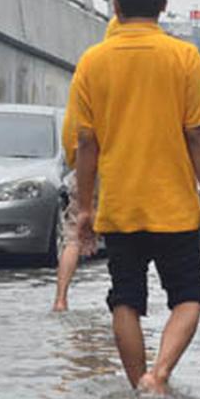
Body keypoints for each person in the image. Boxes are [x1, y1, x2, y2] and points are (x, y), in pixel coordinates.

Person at [69, 0, 200, 393]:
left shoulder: (93, 62)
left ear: (115, 4)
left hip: (121, 206)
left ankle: (139, 385)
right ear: (163, 4)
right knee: (189, 296)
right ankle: (161, 374)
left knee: (125, 299)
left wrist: (84, 209)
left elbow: (85, 144)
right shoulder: (184, 58)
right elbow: (199, 136)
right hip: (174, 207)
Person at [53, 17, 121, 313]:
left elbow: (75, 130)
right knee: (122, 239)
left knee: (72, 237)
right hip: (119, 170)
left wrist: (76, 163)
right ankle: (123, 300)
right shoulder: (136, 75)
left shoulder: (91, 67)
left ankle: (60, 299)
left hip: (85, 167)